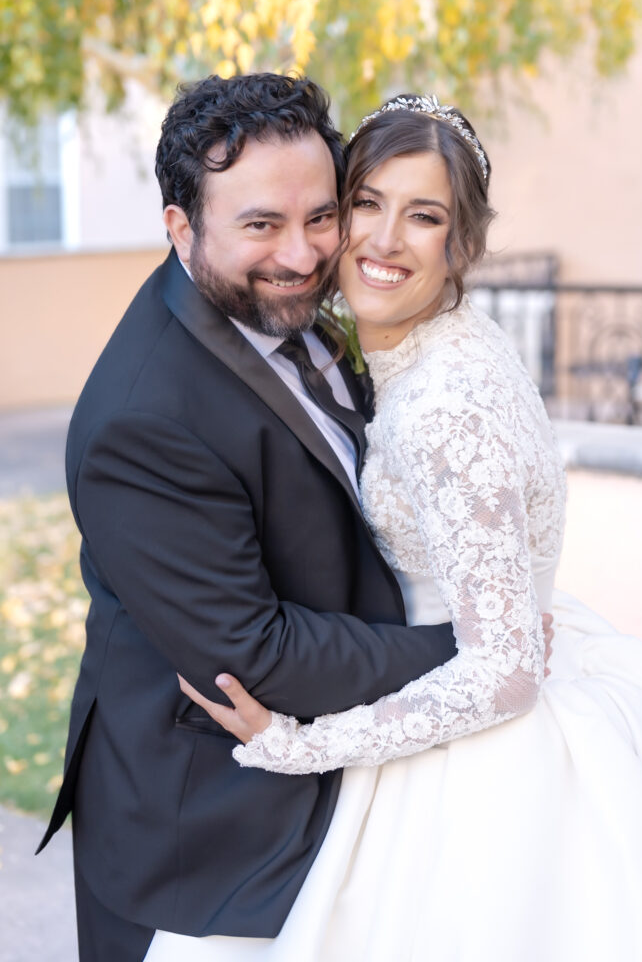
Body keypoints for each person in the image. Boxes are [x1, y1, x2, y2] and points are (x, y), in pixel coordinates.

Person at [171, 94, 642, 961]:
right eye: (365, 204)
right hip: (452, 671)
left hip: (482, 756)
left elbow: (505, 672)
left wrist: (302, 745)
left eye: (424, 216)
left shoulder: (446, 404)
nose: (383, 240)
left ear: (461, 244)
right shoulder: (435, 343)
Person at [36, 75, 490, 962]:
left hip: (339, 753)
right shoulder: (143, 420)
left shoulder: (289, 305)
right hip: (210, 831)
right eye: (260, 225)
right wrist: (466, 649)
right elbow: (256, 653)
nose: (303, 253)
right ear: (180, 228)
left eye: (321, 216)